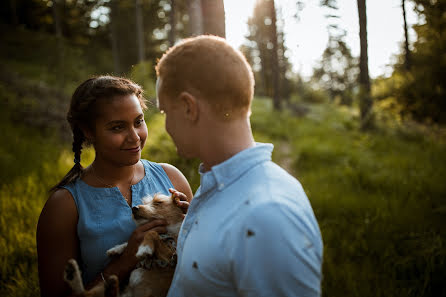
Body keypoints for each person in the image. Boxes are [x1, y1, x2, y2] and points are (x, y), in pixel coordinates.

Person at [155, 35, 323, 297]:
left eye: (165, 111)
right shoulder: (221, 186)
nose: (165, 126)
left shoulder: (268, 216)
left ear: (189, 107)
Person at [36, 76, 193, 297]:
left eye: (138, 121)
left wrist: (194, 225)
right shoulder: (64, 206)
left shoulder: (172, 178)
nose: (134, 137)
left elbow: (202, 267)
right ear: (88, 130)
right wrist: (124, 263)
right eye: (117, 127)